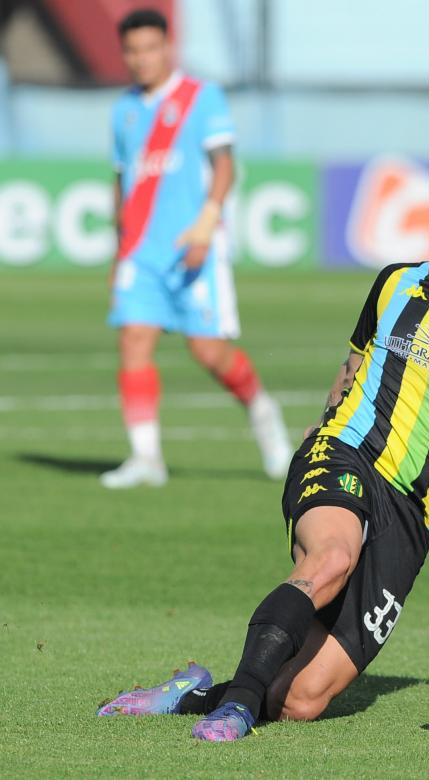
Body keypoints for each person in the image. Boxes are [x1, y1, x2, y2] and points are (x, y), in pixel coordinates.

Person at [97, 161, 429, 741]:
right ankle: (240, 709)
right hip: (347, 452)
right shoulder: (395, 283)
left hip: (411, 515)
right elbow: (351, 370)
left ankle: (197, 693)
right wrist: (325, 429)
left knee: (302, 698)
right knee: (330, 560)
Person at [101, 8, 291, 488]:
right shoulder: (123, 110)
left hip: (193, 246)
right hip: (141, 252)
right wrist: (119, 249)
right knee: (133, 340)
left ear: (167, 48)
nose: (141, 59)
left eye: (149, 48)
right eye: (132, 50)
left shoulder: (201, 98)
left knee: (208, 351)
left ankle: (262, 411)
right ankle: (147, 459)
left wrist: (206, 226)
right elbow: (122, 182)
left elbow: (224, 166)